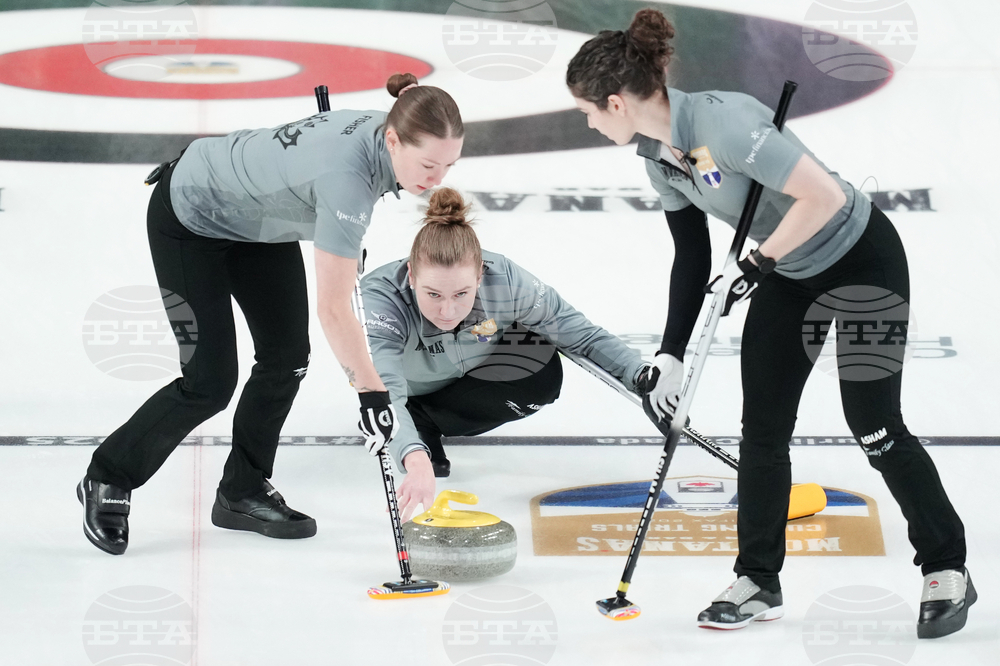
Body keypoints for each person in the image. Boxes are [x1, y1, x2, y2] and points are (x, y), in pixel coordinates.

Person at [565, 9, 973, 639]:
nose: (588, 122)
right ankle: (758, 579)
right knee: (763, 430)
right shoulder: (657, 154)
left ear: (616, 102)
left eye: (588, 111)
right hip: (789, 274)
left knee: (873, 422)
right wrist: (671, 354)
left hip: (861, 260)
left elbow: (824, 197)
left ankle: (946, 564)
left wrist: (757, 262)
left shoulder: (724, 122)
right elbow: (693, 256)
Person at [78, 73, 463, 555]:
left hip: (256, 222)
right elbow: (333, 309)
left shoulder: (397, 121)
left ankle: (242, 490)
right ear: (391, 138)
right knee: (209, 383)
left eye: (449, 163)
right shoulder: (348, 182)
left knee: (287, 358)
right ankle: (108, 476)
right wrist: (372, 392)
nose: (437, 178)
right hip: (189, 216)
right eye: (428, 163)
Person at [358, 187, 648, 521]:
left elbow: (577, 333)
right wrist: (413, 457)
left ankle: (429, 419)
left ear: (481, 275)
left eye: (462, 293)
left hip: (469, 369)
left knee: (541, 364)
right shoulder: (380, 300)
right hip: (411, 386)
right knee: (393, 399)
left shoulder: (506, 281)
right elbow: (382, 387)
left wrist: (639, 375)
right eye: (433, 294)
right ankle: (416, 425)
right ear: (411, 275)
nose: (448, 310)